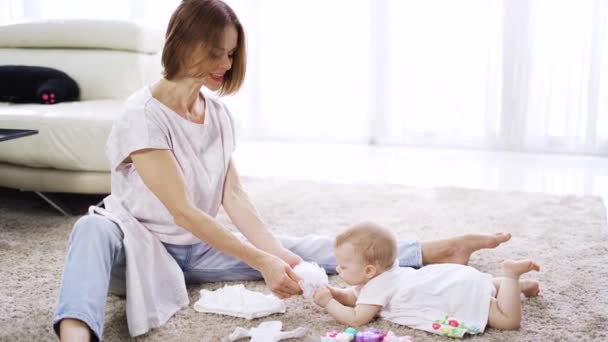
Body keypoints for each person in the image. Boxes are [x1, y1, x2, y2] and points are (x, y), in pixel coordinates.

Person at [51, 1, 512, 341]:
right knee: (91, 231)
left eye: (231, 54)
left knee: (304, 248)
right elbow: (185, 211)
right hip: (141, 245)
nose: (225, 65)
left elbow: (234, 198)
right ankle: (77, 333)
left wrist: (279, 257)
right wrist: (260, 260)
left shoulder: (215, 115)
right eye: (216, 53)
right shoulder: (142, 116)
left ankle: (432, 251)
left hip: (196, 250)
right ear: (183, 44)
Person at [312, 222, 540, 338]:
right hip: (454, 278)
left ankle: (511, 276)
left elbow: (356, 318)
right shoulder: (387, 273)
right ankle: (515, 287)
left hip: (456, 295)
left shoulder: (376, 287)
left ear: (370, 270)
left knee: (507, 321)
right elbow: (354, 296)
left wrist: (328, 303)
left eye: (343, 266)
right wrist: (335, 293)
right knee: (484, 284)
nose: (338, 270)